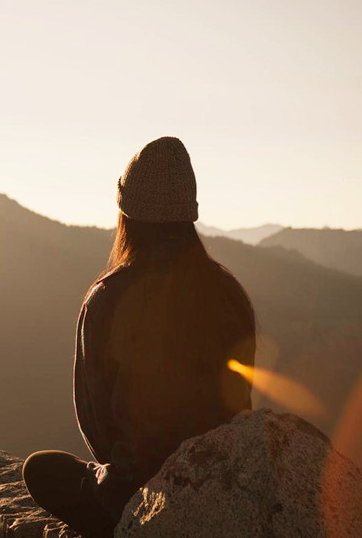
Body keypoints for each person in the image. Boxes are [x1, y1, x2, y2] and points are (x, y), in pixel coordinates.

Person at [22, 137, 256, 537]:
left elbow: (95, 421)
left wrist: (120, 477)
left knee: (40, 469)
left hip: (137, 493)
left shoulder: (108, 298)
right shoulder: (228, 293)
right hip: (220, 484)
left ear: (127, 214)